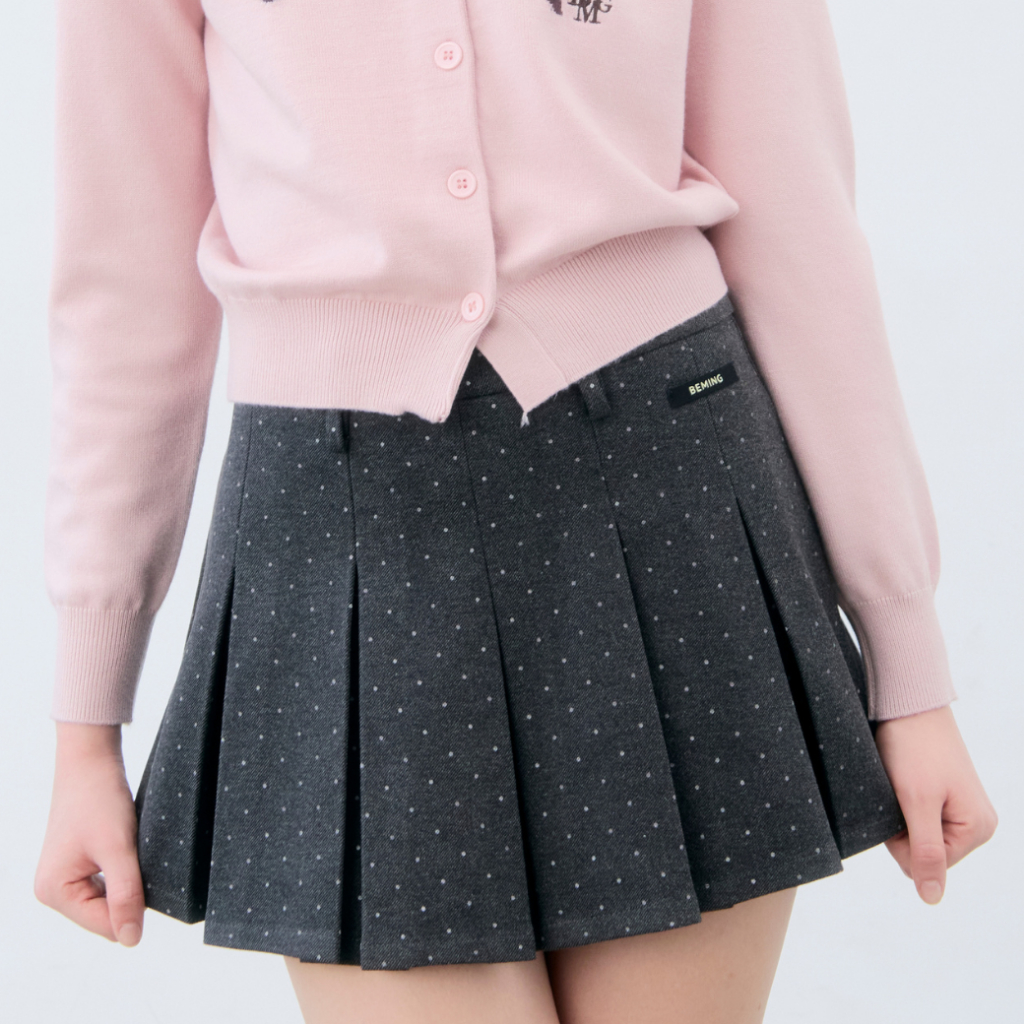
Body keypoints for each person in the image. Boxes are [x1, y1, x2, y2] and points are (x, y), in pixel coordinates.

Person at [34, 2, 997, 1022]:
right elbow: (126, 284)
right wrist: (87, 727)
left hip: (668, 492)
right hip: (344, 535)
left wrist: (906, 659)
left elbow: (797, 216)